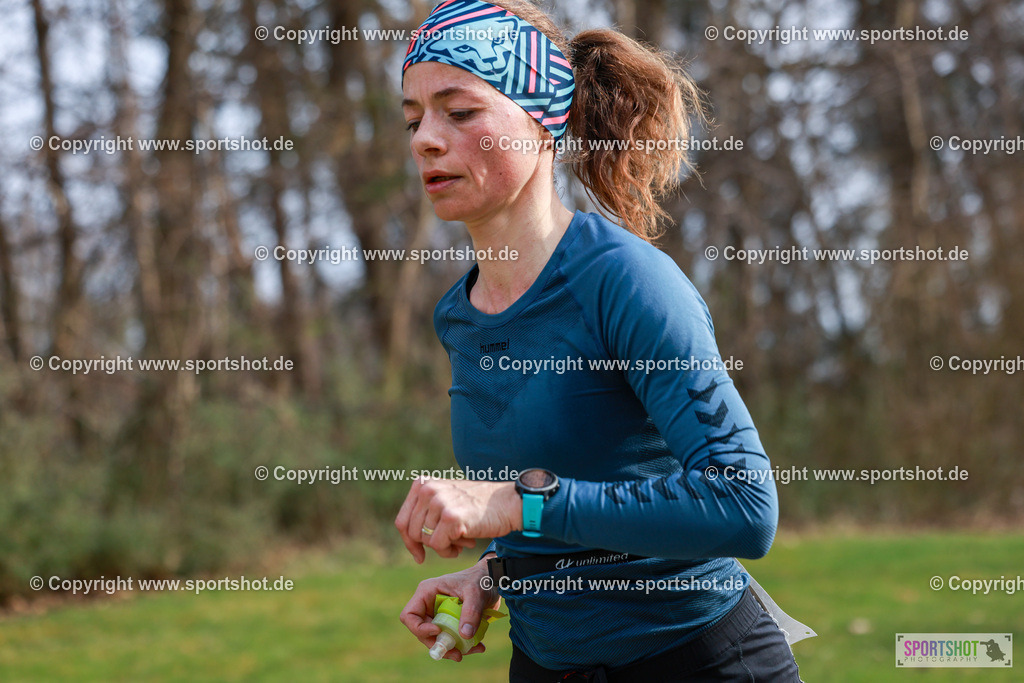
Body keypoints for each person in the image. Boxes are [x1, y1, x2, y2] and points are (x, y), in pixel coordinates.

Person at [395, 1, 803, 680]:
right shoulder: (458, 314)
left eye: (459, 112)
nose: (425, 140)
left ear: (543, 118)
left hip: (697, 661)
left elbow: (744, 502)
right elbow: (594, 488)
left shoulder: (624, 280)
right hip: (545, 664)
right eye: (413, 118)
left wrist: (509, 503)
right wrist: (500, 569)